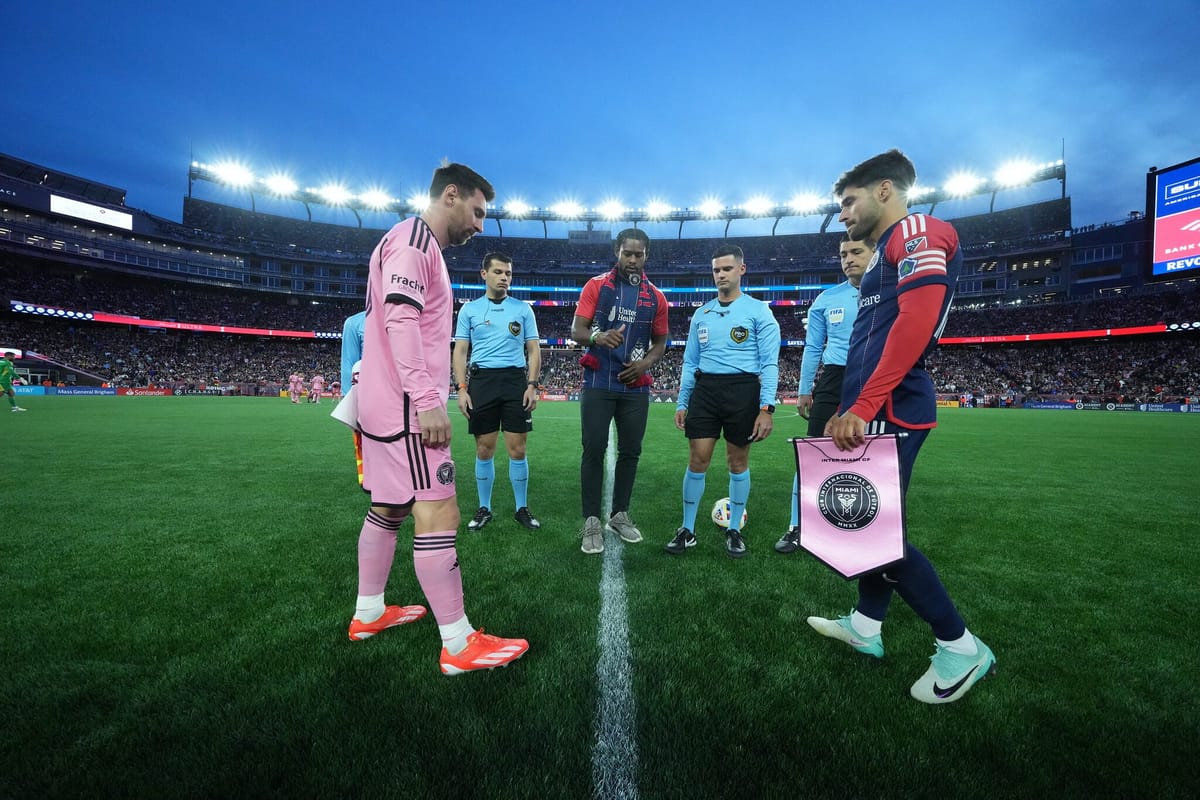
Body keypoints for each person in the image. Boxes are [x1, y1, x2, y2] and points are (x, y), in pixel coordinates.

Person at [807, 149, 995, 704]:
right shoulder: (888, 250)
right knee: (862, 526)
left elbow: (913, 324)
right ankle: (867, 626)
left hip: (889, 408)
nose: (842, 214)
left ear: (883, 190)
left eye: (848, 202)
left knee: (874, 535)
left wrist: (863, 406)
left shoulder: (916, 229)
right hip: (876, 405)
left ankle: (961, 647)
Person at [349, 162, 528, 675]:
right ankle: (457, 642)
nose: (479, 225)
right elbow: (400, 318)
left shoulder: (403, 239)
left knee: (389, 508)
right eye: (476, 211)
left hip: (382, 402)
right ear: (451, 195)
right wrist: (428, 400)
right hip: (409, 410)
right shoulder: (416, 243)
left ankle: (369, 612)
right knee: (440, 513)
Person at [665, 245, 780, 558]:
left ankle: (734, 531)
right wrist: (682, 402)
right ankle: (687, 529)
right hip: (706, 390)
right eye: (716, 270)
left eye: (727, 269)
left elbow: (770, 362)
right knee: (698, 458)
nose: (720, 275)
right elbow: (690, 362)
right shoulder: (701, 314)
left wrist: (766, 407)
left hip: (743, 391)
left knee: (737, 461)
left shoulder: (759, 311)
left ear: (742, 270)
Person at [571, 228, 669, 555]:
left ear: (646, 256)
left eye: (638, 254)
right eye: (627, 253)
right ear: (617, 251)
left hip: (634, 386)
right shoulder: (596, 286)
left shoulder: (656, 297)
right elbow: (577, 330)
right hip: (599, 382)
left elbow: (660, 342)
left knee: (630, 451)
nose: (632, 259)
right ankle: (590, 521)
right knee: (593, 449)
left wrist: (645, 366)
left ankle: (619, 514)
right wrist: (597, 337)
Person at [775, 236, 869, 554]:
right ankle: (797, 526)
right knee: (813, 453)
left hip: (874, 378)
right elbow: (813, 347)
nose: (849, 259)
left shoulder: (890, 292)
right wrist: (804, 391)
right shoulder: (826, 299)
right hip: (833, 378)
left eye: (857, 252)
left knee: (870, 453)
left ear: (875, 253)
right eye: (843, 254)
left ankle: (860, 525)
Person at [453, 252, 543, 531]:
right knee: (484, 449)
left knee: (518, 450)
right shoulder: (469, 310)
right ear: (484, 274)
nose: (505, 277)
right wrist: (462, 388)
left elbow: (533, 349)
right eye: (499, 272)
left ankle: (521, 508)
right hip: (482, 382)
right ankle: (484, 508)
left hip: (515, 381)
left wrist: (532, 384)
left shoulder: (523, 309)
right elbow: (460, 351)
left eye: (509, 273)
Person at [340, 310, 366, 486]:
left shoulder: (411, 315)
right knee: (368, 447)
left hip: (405, 396)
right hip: (369, 397)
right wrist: (350, 404)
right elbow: (349, 364)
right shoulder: (355, 323)